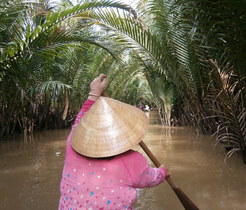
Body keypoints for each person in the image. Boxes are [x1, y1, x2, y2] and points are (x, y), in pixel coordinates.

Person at [58, 74, 167, 210]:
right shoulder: (132, 161)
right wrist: (162, 172)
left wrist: (94, 93)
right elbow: (150, 178)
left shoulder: (72, 144)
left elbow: (79, 122)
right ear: (122, 133)